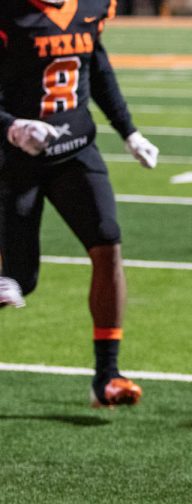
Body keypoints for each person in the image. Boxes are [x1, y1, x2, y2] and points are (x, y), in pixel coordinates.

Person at [0, 0, 158, 407]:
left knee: (107, 242)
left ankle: (107, 375)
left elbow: (97, 67)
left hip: (75, 151)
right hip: (12, 160)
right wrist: (12, 127)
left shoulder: (91, 5)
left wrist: (129, 131)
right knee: (16, 279)